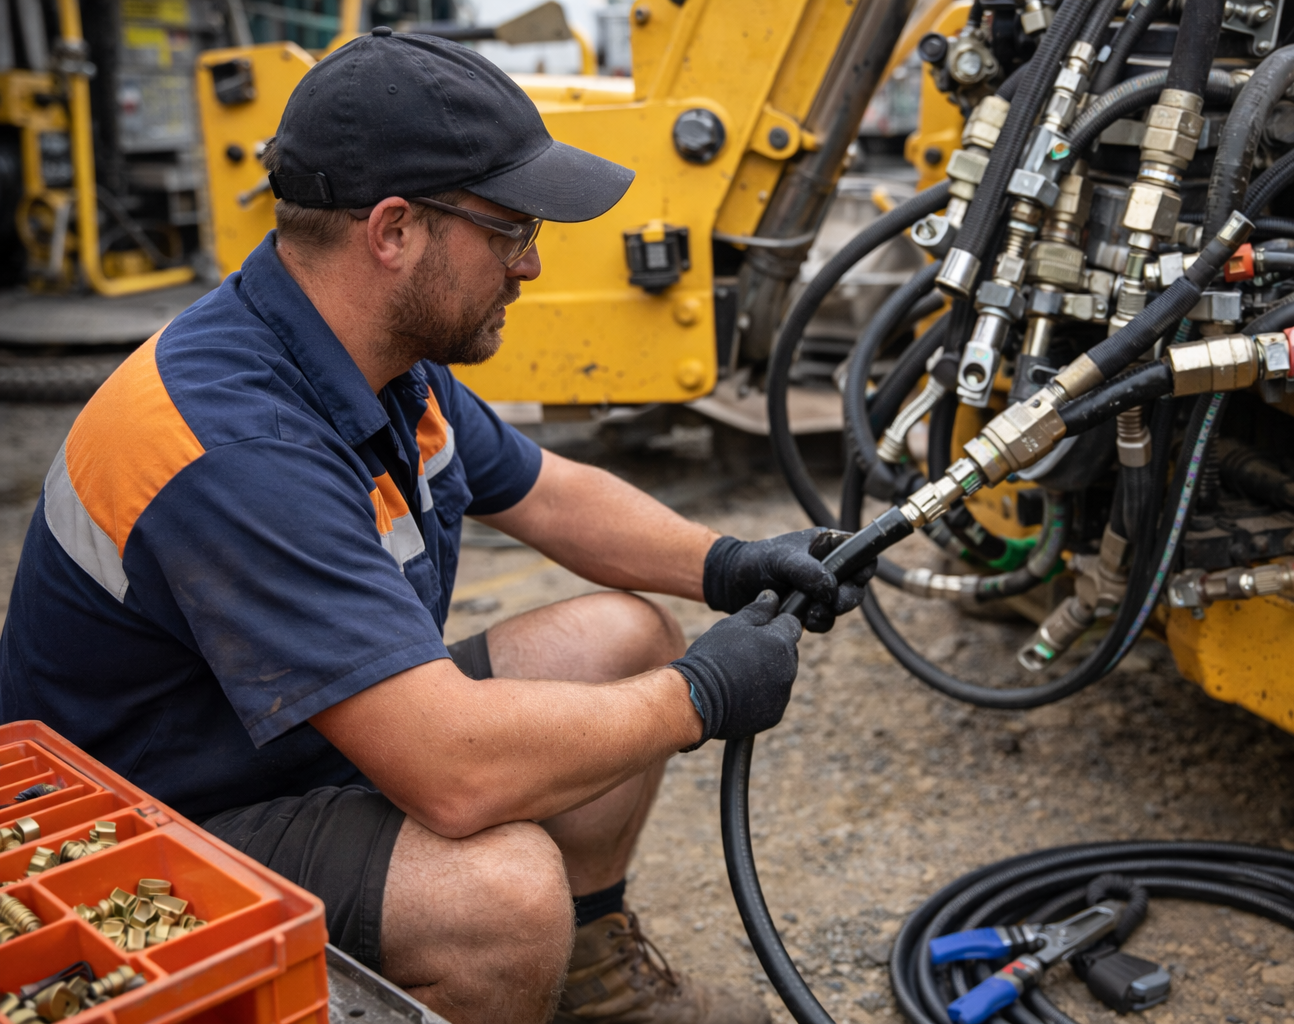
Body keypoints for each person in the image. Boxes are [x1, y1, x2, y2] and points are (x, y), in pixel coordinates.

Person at [0, 29, 873, 1024]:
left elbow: (548, 492)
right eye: (509, 231)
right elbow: (452, 773)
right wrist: (705, 695)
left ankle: (587, 976)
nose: (533, 263)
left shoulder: (372, 356)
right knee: (497, 897)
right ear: (392, 231)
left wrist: (724, 563)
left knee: (621, 637)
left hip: (283, 745)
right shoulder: (232, 440)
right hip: (134, 845)